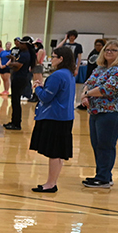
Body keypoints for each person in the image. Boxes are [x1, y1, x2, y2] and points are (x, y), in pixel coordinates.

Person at [81, 41, 118, 188]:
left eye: (114, 50)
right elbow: (89, 82)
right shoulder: (101, 68)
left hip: (113, 111)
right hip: (96, 110)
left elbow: (108, 89)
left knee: (106, 145)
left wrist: (87, 94)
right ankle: (103, 175)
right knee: (97, 144)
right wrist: (85, 95)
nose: (109, 52)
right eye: (107, 50)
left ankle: (103, 177)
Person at [29, 46, 77, 193]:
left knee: (54, 153)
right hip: (65, 117)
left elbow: (45, 97)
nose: (51, 59)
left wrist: (37, 87)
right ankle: (52, 181)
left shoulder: (57, 75)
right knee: (58, 153)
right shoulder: (69, 74)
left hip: (54, 117)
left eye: (54, 56)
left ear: (61, 59)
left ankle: (50, 184)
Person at [4, 36, 33, 130]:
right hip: (18, 77)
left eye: (21, 43)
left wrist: (11, 63)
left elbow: (17, 66)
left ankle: (16, 123)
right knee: (14, 101)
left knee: (16, 101)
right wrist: (13, 59)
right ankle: (14, 121)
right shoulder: (22, 53)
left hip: (20, 79)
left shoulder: (25, 54)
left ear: (26, 45)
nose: (19, 44)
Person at [78, 38, 105, 109]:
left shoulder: (104, 55)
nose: (97, 47)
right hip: (91, 74)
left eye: (99, 45)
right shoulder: (92, 53)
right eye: (96, 45)